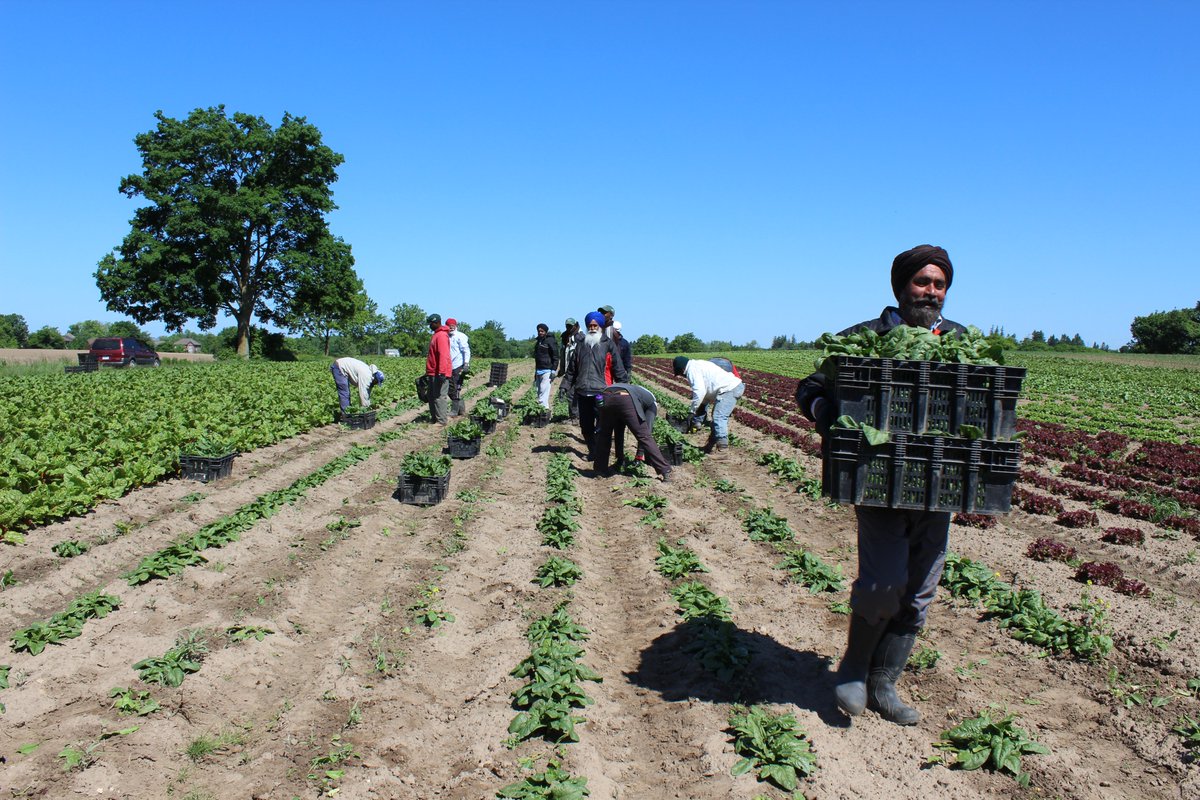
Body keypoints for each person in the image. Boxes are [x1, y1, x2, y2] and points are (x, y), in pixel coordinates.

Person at [794, 244, 967, 727]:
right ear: (900, 287)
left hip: (937, 486)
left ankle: (884, 683)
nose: (931, 292)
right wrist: (828, 416)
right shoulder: (864, 339)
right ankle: (853, 667)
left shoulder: (958, 340)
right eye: (922, 282)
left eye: (939, 284)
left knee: (920, 588)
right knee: (883, 580)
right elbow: (808, 388)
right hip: (877, 482)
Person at [562, 311, 628, 459]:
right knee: (585, 427)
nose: (592, 328)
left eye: (595, 325)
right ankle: (592, 451)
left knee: (602, 426)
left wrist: (625, 387)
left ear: (600, 327)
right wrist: (564, 386)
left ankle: (600, 453)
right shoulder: (581, 345)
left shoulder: (607, 344)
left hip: (601, 391)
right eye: (590, 325)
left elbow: (618, 367)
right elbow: (572, 369)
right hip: (583, 391)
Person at [593, 383, 672, 482]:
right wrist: (640, 454)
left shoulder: (638, 390)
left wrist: (621, 458)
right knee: (644, 436)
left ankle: (600, 469)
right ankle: (665, 470)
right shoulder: (652, 403)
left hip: (606, 395)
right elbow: (646, 431)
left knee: (605, 435)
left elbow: (619, 430)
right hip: (625, 398)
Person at [673, 355, 744, 453]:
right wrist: (701, 408)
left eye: (680, 373)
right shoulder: (696, 365)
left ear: (682, 368)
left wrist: (692, 412)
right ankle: (710, 446)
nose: (682, 375)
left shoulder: (692, 370)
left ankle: (723, 449)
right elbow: (706, 390)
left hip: (730, 389)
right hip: (729, 388)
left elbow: (699, 391)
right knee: (717, 417)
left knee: (719, 417)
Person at [425, 314, 453, 425]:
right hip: (433, 371)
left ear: (436, 322)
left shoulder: (441, 335)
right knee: (431, 396)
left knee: (439, 396)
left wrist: (442, 372)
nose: (429, 326)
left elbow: (443, 355)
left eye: (431, 324)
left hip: (439, 372)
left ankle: (441, 421)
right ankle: (435, 418)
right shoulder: (436, 335)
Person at [557, 318, 582, 420]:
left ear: (575, 326)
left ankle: (575, 417)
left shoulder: (580, 338)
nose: (568, 328)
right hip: (569, 371)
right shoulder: (566, 337)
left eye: (570, 326)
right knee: (571, 394)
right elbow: (564, 356)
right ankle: (575, 416)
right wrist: (561, 370)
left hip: (578, 372)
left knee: (572, 395)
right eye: (567, 326)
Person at [446, 318, 471, 416]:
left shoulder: (461, 336)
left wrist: (466, 364)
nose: (451, 327)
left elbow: (466, 350)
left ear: (455, 325)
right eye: (449, 325)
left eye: (452, 325)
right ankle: (461, 409)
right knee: (449, 388)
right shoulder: (446, 336)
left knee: (455, 388)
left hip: (458, 365)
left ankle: (454, 411)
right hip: (448, 366)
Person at [532, 322, 559, 410]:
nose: (540, 333)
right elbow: (537, 358)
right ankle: (542, 408)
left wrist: (553, 370)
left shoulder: (550, 341)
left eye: (542, 331)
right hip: (539, 369)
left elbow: (555, 356)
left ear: (546, 332)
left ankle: (543, 409)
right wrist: (535, 373)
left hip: (547, 370)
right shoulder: (538, 342)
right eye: (539, 331)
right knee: (539, 390)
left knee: (544, 390)